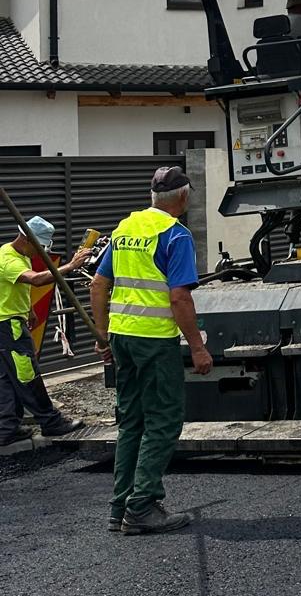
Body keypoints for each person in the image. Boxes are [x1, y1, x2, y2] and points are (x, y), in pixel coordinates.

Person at [90, 166, 213, 535]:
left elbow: (98, 286)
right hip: (154, 341)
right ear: (183, 198)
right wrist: (197, 347)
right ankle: (142, 506)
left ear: (152, 197)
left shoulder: (124, 230)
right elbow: (179, 297)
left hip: (122, 337)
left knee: (132, 422)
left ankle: (120, 507)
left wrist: (102, 337)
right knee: (162, 421)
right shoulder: (175, 235)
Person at [0, 217, 89, 445]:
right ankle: (51, 422)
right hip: (9, 327)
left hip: (9, 320)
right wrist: (70, 266)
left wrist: (28, 309)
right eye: (39, 247)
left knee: (6, 379)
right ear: (27, 239)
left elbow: (14, 287)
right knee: (27, 375)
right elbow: (36, 280)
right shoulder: (9, 259)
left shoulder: (20, 255)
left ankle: (6, 428)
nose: (41, 253)